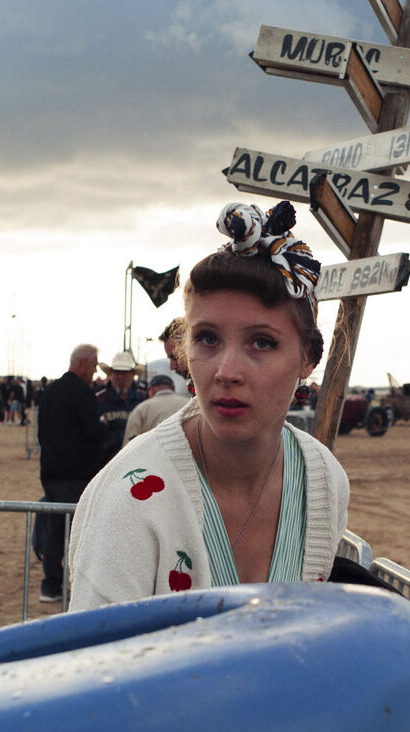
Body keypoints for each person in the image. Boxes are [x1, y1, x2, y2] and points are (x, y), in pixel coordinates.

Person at [67, 201, 348, 610]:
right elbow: (98, 648)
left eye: (262, 342)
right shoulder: (130, 498)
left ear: (309, 358)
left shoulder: (324, 481)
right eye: (208, 339)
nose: (226, 372)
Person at [36, 344, 107, 603]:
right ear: (82, 363)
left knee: (54, 530)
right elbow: (93, 432)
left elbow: (41, 432)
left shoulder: (50, 391)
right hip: (76, 474)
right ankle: (80, 587)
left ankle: (51, 584)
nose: (95, 371)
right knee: (81, 532)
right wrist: (106, 430)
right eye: (94, 365)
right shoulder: (82, 393)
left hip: (50, 472)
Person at [96, 349, 147, 458]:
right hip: (107, 460)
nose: (120, 377)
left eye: (124, 372)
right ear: (111, 374)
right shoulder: (98, 399)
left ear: (132, 374)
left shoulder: (143, 398)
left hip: (138, 457)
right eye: (117, 372)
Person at [122, 373, 189, 446]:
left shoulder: (141, 409)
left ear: (152, 390)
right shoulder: (189, 404)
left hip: (152, 452)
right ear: (173, 389)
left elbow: (129, 445)